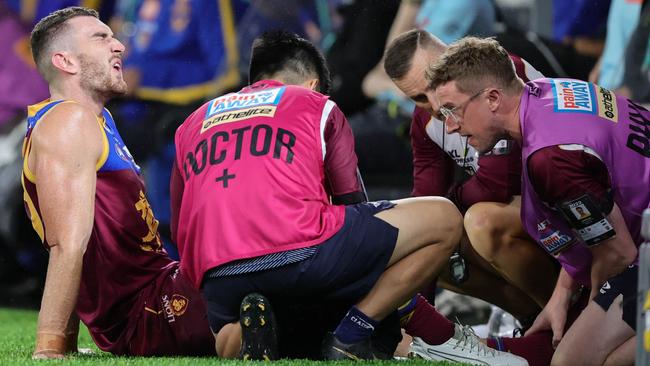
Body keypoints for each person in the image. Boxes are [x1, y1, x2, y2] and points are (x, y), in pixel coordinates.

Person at [171, 30, 527, 365]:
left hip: (217, 275)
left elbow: (180, 221)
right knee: (443, 218)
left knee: (243, 323)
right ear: (314, 85)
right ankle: (351, 335)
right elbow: (353, 202)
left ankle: (242, 335)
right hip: (300, 253)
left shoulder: (192, 121)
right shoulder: (315, 104)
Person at [427, 36, 648, 365]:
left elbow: (617, 254)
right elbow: (597, 219)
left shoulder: (551, 157)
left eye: (452, 110)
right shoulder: (548, 91)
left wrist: (585, 318)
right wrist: (561, 294)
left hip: (639, 253)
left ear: (492, 98)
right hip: (640, 240)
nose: (450, 126)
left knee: (572, 360)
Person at [23, 7, 214, 358]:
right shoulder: (68, 121)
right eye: (101, 38)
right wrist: (50, 347)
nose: (119, 47)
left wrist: (69, 343)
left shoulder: (96, 120)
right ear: (66, 62)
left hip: (162, 292)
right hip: (153, 314)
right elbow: (68, 244)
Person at [381, 29, 558, 324]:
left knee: (481, 222)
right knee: (425, 240)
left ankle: (566, 315)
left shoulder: (499, 75)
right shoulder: (424, 123)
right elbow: (426, 202)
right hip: (530, 214)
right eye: (418, 97)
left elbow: (499, 183)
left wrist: (445, 209)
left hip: (564, 202)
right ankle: (529, 317)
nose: (433, 104)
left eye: (433, 84)